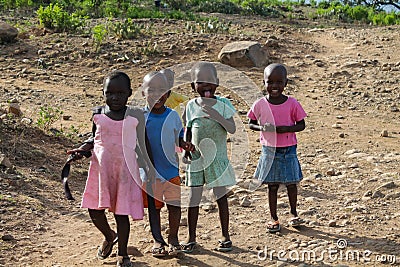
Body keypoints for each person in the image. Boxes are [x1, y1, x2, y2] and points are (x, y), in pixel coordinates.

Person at [67, 70, 153, 267]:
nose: (115, 97)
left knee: (121, 213)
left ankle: (123, 254)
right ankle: (109, 235)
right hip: (101, 170)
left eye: (120, 93)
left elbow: (142, 143)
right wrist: (82, 151)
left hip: (124, 171)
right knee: (94, 210)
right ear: (103, 92)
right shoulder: (98, 113)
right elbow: (95, 139)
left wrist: (149, 168)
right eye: (110, 93)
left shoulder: (136, 115)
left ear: (129, 93)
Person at [181, 61, 237, 253]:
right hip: (196, 159)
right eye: (200, 82)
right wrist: (186, 150)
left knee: (220, 196)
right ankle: (191, 237)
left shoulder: (224, 104)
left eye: (210, 81)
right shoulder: (190, 106)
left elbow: (232, 128)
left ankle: (225, 235)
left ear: (218, 83)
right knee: (194, 198)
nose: (206, 85)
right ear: (192, 86)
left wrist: (216, 115)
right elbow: (188, 129)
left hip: (217, 159)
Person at [247, 63, 307, 233]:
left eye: (279, 82)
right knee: (272, 185)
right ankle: (274, 218)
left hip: (289, 149)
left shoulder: (292, 103)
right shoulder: (260, 104)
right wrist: (262, 128)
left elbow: (301, 124)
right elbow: (251, 123)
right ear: (264, 83)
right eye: (270, 82)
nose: (274, 86)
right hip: (269, 150)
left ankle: (294, 213)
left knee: (291, 183)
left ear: (286, 83)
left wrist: (287, 129)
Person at [141, 71, 195, 257]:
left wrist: (184, 144)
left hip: (171, 169)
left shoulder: (172, 116)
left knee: (174, 205)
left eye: (162, 90)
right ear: (143, 93)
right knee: (154, 209)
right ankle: (158, 240)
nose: (157, 94)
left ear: (169, 94)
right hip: (150, 173)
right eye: (151, 90)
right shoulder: (140, 116)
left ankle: (173, 237)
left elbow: (178, 137)